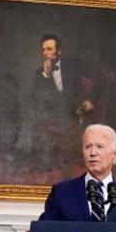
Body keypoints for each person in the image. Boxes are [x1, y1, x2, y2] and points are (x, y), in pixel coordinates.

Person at [19, 124, 116, 232]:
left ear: (114, 153)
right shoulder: (62, 193)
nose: (92, 153)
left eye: (99, 146)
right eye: (87, 147)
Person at [15, 33, 103, 169]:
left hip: (74, 110)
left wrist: (90, 99)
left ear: (59, 51)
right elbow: (36, 99)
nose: (45, 53)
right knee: (30, 117)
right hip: (52, 113)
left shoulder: (73, 64)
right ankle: (22, 158)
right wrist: (46, 75)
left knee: (32, 118)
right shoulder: (40, 73)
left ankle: (24, 158)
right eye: (43, 49)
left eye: (49, 49)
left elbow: (100, 76)